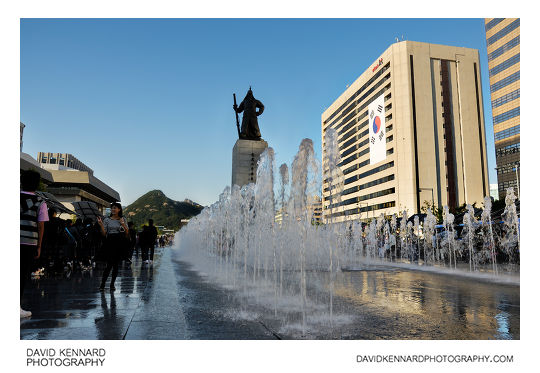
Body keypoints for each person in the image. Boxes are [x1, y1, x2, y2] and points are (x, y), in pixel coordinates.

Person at [20, 170, 49, 318]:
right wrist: (39, 246)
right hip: (28, 242)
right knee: (21, 274)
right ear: (37, 184)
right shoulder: (40, 202)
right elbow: (41, 225)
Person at [96, 202, 129, 291]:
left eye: (115, 208)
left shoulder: (123, 219)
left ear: (119, 209)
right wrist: (101, 225)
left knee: (115, 265)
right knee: (109, 264)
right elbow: (104, 233)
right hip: (109, 242)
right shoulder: (107, 220)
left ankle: (112, 284)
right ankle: (103, 284)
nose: (113, 210)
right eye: (112, 208)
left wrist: (122, 224)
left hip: (119, 242)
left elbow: (127, 233)